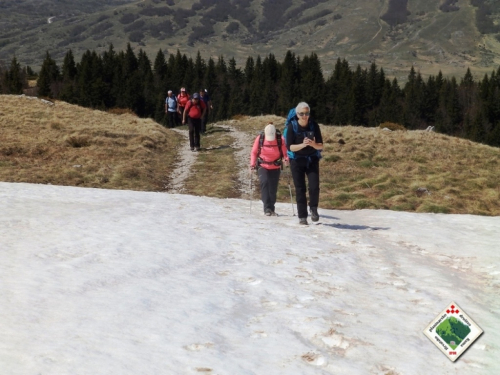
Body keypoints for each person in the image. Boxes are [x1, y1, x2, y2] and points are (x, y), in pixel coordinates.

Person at [285, 102, 323, 225]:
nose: (304, 116)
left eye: (307, 113)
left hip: (312, 159)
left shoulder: (314, 125)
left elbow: (321, 145)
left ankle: (313, 208)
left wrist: (313, 144)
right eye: (302, 114)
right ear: (297, 114)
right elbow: (290, 147)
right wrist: (303, 145)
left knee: (314, 186)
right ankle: (302, 216)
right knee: (300, 188)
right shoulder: (291, 127)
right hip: (296, 161)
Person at [250, 124, 289, 216]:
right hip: (262, 165)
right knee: (264, 182)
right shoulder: (260, 138)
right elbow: (254, 152)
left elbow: (285, 153)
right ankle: (266, 208)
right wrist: (252, 164)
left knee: (273, 188)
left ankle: (272, 208)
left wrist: (286, 160)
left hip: (275, 166)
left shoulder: (281, 139)